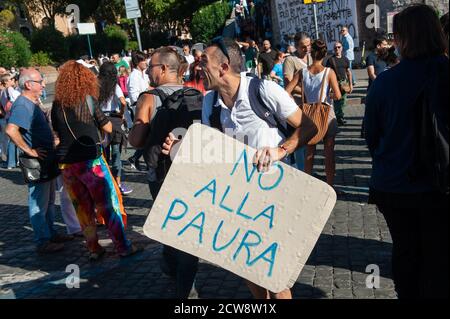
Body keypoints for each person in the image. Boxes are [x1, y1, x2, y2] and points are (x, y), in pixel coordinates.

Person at [163, 37, 318, 299]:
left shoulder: (263, 90)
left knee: (274, 274)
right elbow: (213, 154)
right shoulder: (210, 103)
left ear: (223, 67)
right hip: (237, 200)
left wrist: (280, 151)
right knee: (245, 266)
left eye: (204, 63)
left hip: (273, 197)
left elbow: (309, 127)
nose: (198, 68)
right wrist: (182, 150)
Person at [364, 4, 448, 299]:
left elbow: (371, 136)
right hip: (441, 185)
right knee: (439, 255)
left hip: (395, 184)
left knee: (405, 250)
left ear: (404, 39)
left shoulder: (386, 82)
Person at [50, 61, 142, 260]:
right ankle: (122, 247)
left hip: (66, 164)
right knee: (107, 205)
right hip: (91, 162)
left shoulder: (57, 104)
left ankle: (93, 249)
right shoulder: (88, 100)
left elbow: (57, 131)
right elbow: (107, 127)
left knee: (83, 210)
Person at [129, 47, 200, 298]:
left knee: (170, 223)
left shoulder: (148, 97)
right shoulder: (196, 93)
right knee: (188, 226)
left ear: (162, 69)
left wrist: (138, 128)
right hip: (192, 172)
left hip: (161, 173)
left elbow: (137, 140)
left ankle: (181, 282)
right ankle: (180, 272)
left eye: (150, 67)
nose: (148, 71)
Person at [5, 68, 73, 254]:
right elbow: (11, 130)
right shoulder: (22, 105)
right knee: (39, 203)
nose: (44, 84)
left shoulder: (30, 103)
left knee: (49, 201)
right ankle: (43, 240)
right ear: (28, 84)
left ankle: (50, 234)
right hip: (38, 163)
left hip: (46, 160)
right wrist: (30, 150)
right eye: (40, 81)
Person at [285, 40, 342, 189]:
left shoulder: (302, 72)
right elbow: (338, 95)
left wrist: (296, 105)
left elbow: (287, 91)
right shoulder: (329, 72)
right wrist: (329, 94)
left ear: (311, 53)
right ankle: (330, 186)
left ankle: (307, 186)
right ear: (324, 54)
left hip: (308, 115)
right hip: (327, 113)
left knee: (310, 152)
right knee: (329, 152)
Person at [97, 62, 133, 195]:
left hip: (101, 120)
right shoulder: (114, 86)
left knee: (103, 154)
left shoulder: (96, 86)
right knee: (116, 154)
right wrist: (121, 113)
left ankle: (106, 182)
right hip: (114, 120)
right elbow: (123, 102)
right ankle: (117, 183)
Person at [283, 32, 312, 171]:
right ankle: (302, 171)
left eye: (308, 45)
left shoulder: (312, 58)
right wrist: (309, 90)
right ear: (296, 46)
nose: (307, 49)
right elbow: (288, 83)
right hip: (297, 107)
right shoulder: (290, 60)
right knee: (300, 142)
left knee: (310, 141)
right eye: (303, 47)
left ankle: (309, 171)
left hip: (311, 106)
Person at [127, 51, 151, 171]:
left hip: (146, 108)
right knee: (144, 136)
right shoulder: (134, 76)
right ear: (137, 62)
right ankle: (138, 159)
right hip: (138, 109)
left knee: (147, 136)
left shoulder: (143, 74)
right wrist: (147, 91)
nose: (146, 62)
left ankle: (137, 158)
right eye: (143, 60)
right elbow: (133, 96)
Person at [326, 41, 353, 126]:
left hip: (344, 83)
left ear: (342, 48)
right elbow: (327, 72)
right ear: (333, 49)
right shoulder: (330, 60)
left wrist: (350, 84)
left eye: (339, 47)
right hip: (335, 83)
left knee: (343, 101)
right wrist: (329, 85)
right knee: (337, 101)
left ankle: (340, 116)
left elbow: (348, 72)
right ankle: (339, 118)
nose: (337, 49)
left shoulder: (345, 59)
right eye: (335, 48)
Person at [1, 73, 21, 168]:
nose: (13, 80)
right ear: (6, 82)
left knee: (11, 140)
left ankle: (11, 161)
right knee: (15, 140)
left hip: (7, 117)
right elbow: (18, 100)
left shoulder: (2, 92)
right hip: (14, 117)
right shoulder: (10, 90)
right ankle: (13, 162)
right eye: (11, 79)